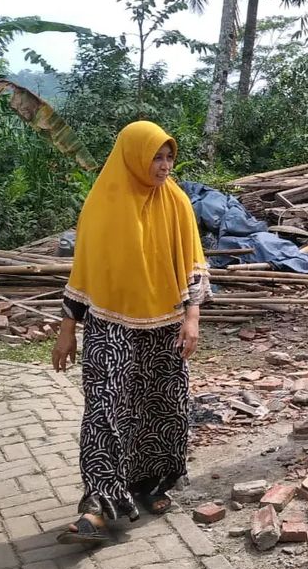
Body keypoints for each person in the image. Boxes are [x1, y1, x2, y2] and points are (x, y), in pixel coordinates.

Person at [51, 121, 209, 544]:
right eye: (156, 157)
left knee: (162, 407)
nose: (164, 165)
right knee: (104, 411)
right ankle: (97, 508)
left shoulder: (176, 201)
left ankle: (150, 484)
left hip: (165, 326)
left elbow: (193, 264)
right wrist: (67, 329)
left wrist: (192, 317)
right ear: (133, 156)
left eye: (169, 157)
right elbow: (83, 272)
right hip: (109, 324)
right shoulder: (102, 203)